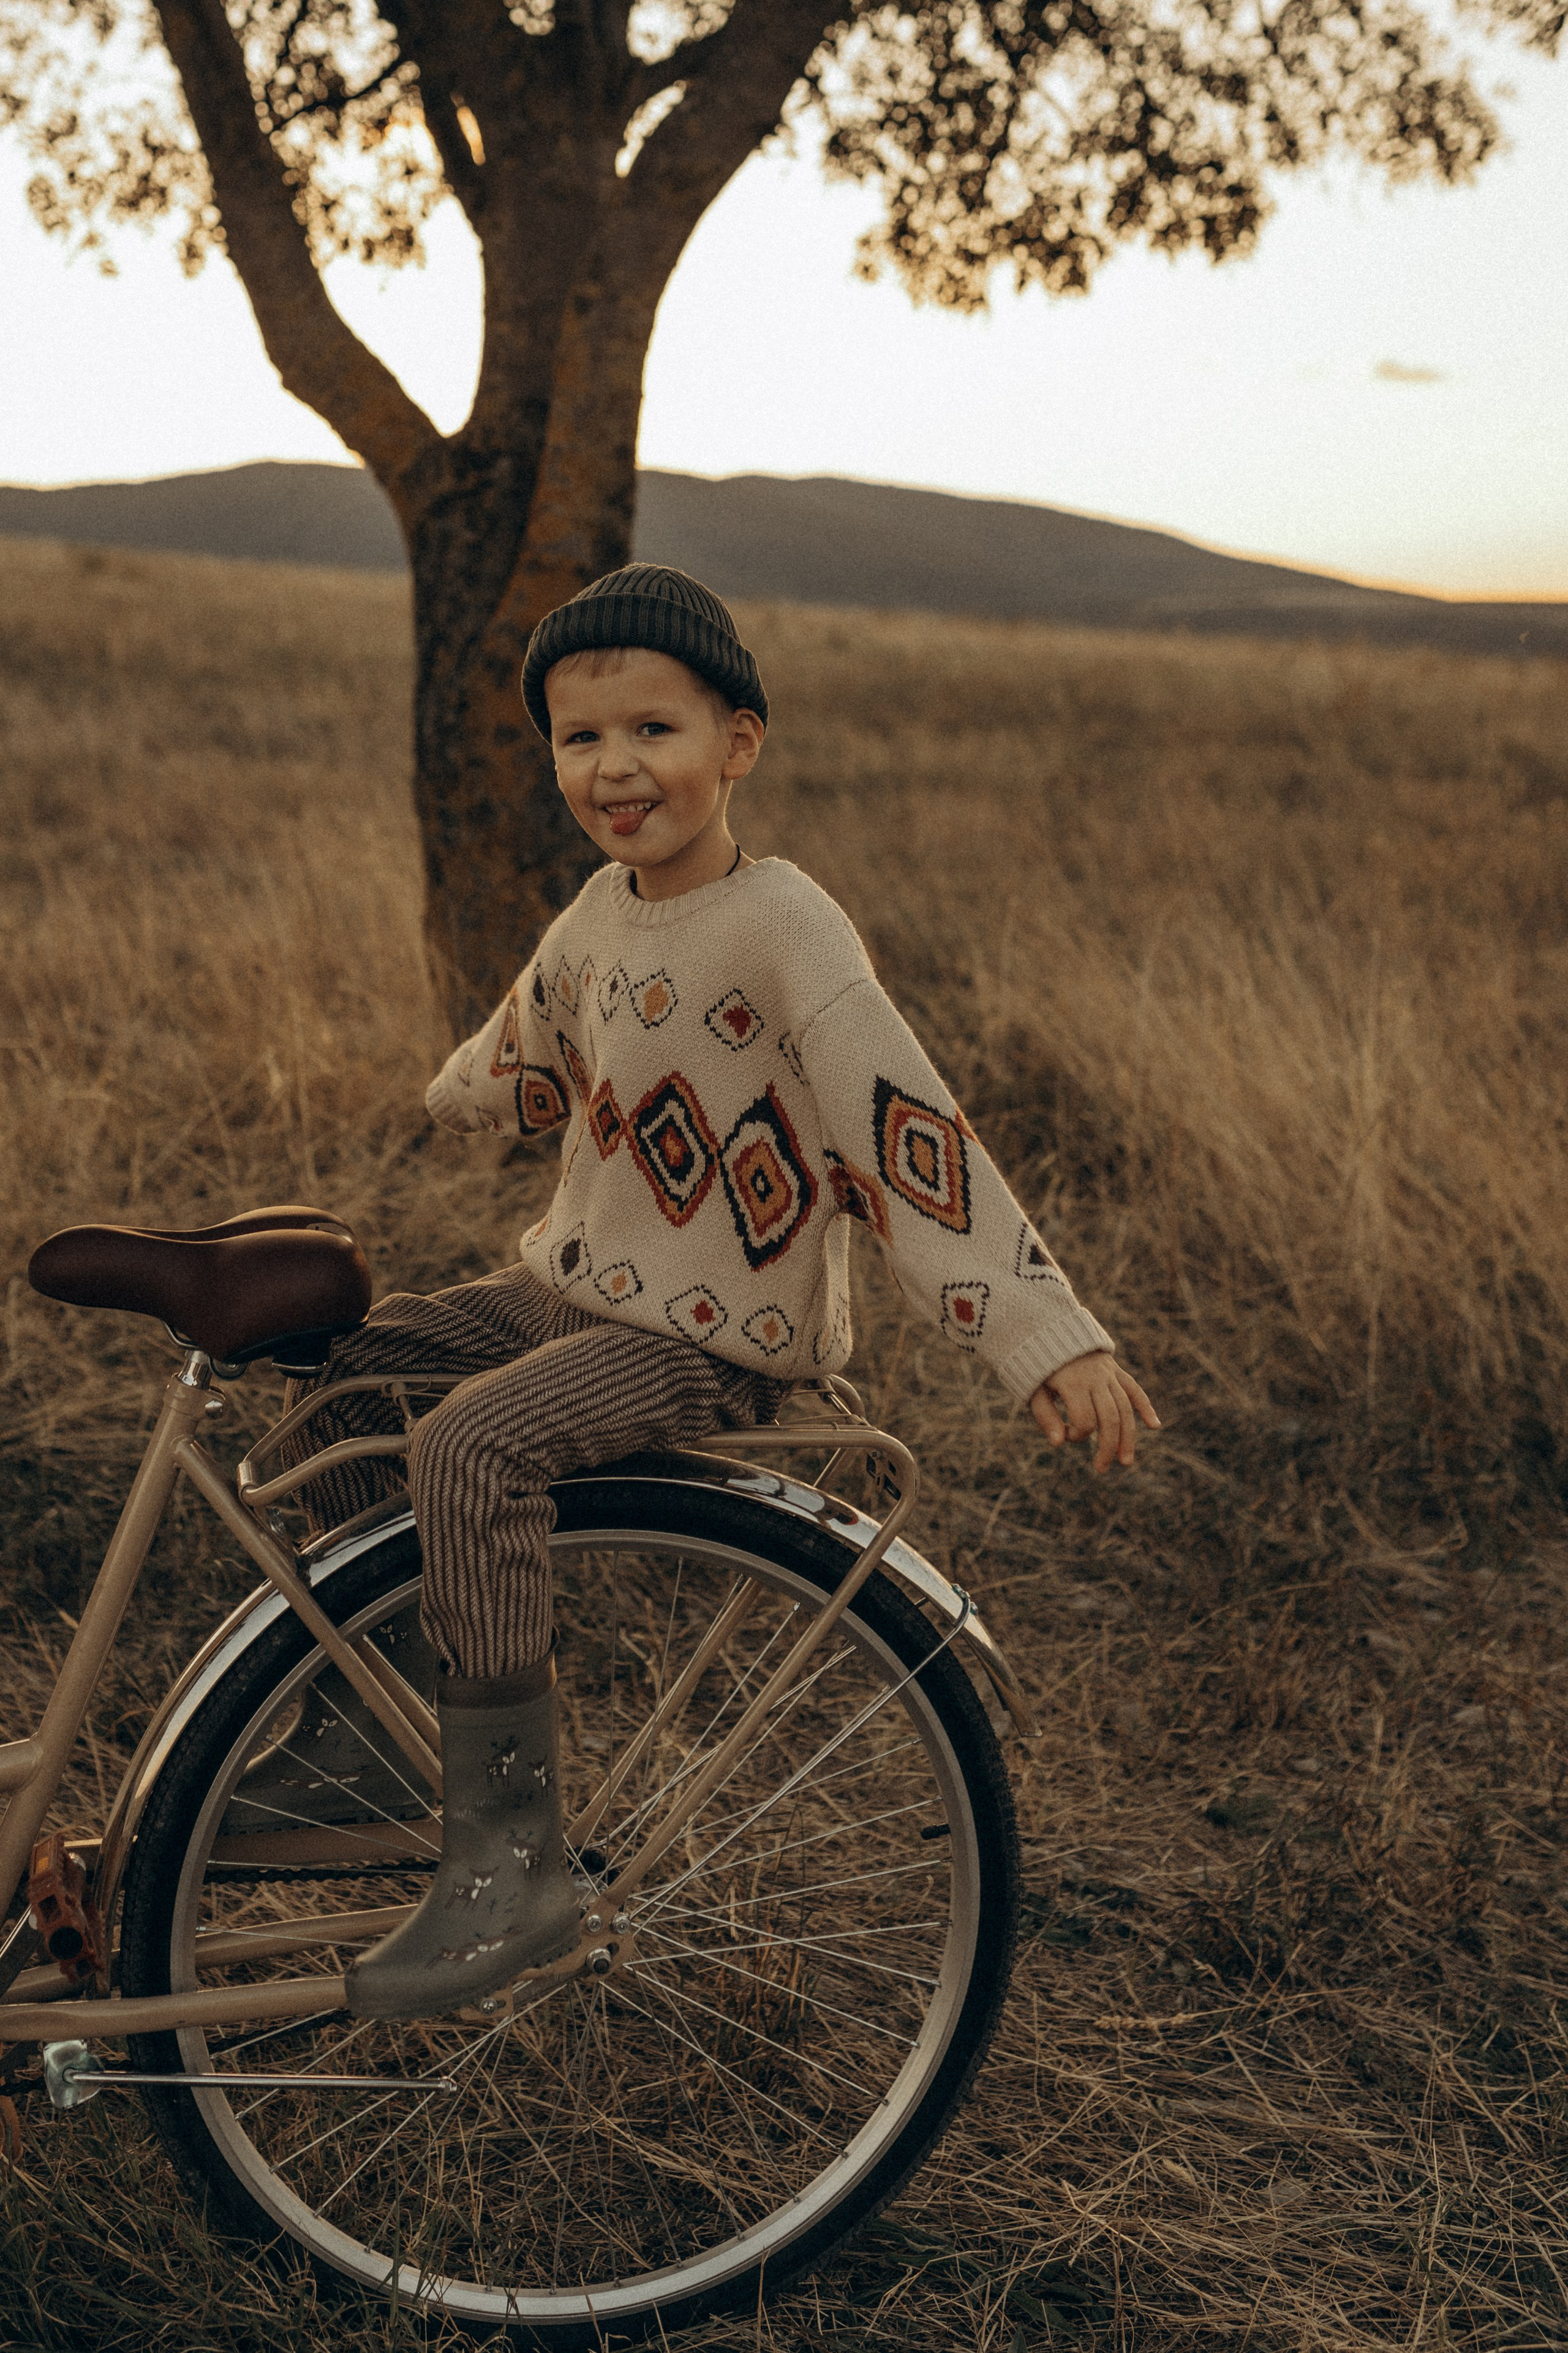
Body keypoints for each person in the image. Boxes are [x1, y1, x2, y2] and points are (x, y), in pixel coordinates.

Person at [305, 564, 1158, 2020]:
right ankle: (369, 1723)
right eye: (580, 739)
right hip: (570, 1295)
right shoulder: (595, 911)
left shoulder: (783, 923)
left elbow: (902, 1129)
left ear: (737, 742)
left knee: (466, 1445)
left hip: (709, 1334)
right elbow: (521, 1050)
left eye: (654, 730)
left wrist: (1040, 1334)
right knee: (341, 1375)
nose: (615, 768)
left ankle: (509, 1858)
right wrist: (450, 1091)